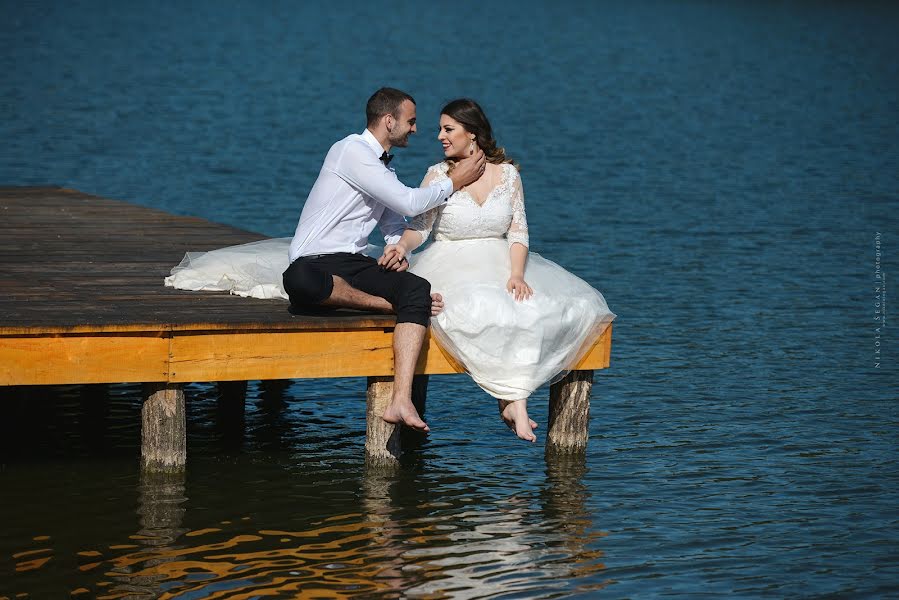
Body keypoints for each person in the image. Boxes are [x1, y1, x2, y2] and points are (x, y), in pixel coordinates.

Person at [166, 87, 487, 433]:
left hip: (353, 263)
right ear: (389, 121)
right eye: (410, 122)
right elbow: (410, 203)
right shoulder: (349, 151)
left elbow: (395, 222)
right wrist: (454, 181)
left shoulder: (384, 171)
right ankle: (382, 305)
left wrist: (397, 249)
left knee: (417, 289)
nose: (415, 129)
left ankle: (401, 399)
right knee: (299, 280)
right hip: (315, 261)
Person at [376, 99, 615, 442]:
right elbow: (421, 226)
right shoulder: (439, 174)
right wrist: (402, 246)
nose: (440, 137)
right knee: (477, 307)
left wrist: (517, 275)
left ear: (471, 134)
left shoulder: (508, 175)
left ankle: (514, 400)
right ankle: (513, 401)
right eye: (440, 130)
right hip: (449, 261)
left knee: (532, 307)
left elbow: (518, 231)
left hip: (500, 258)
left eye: (448, 129)